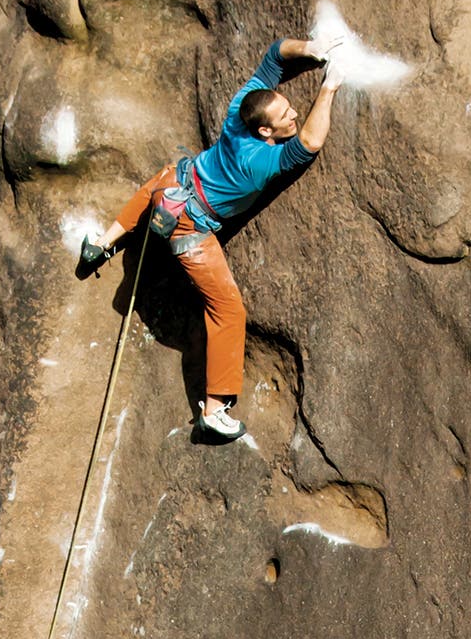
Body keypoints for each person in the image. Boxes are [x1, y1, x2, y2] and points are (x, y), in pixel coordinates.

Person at [77, 35, 340, 441]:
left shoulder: (241, 108)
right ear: (266, 131)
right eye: (286, 115)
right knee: (228, 312)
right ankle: (215, 410)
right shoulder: (258, 163)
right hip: (191, 227)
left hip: (174, 186)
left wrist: (310, 47)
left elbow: (273, 54)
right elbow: (310, 142)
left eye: (292, 109)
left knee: (162, 182)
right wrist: (329, 88)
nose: (294, 115)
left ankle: (103, 242)